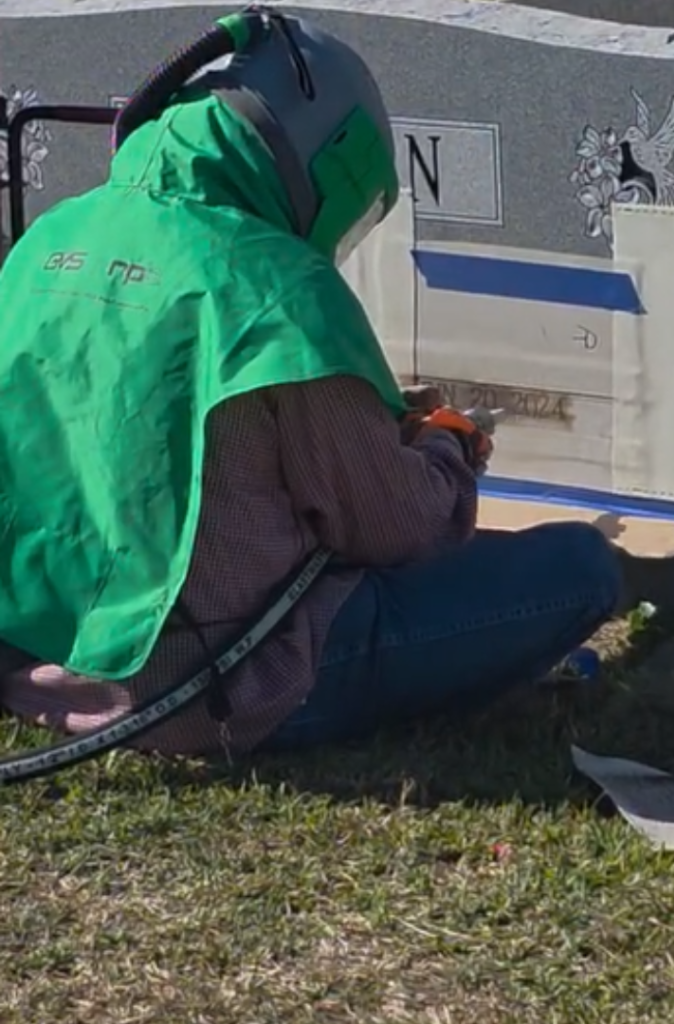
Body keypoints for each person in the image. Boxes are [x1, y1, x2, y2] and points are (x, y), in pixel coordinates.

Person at [0, 10, 623, 761]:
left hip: (38, 671)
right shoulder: (276, 289)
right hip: (221, 688)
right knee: (578, 569)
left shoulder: (50, 240)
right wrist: (446, 450)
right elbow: (397, 526)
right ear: (326, 163)